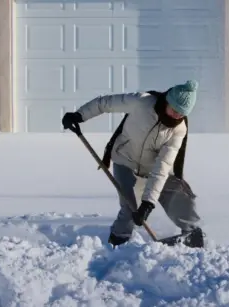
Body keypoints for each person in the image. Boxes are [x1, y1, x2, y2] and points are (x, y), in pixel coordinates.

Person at [61, 80, 204, 248]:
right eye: (175, 110)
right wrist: (79, 115)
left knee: (178, 196)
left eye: (182, 114)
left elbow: (163, 166)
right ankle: (117, 243)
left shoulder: (178, 130)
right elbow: (105, 103)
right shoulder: (142, 102)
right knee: (130, 207)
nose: (177, 116)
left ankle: (192, 235)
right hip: (125, 161)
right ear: (168, 101)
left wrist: (148, 203)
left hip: (152, 169)